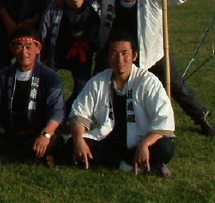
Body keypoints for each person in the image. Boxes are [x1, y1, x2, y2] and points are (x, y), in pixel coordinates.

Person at [93, 0, 214, 136]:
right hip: (117, 53)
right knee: (100, 81)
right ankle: (97, 119)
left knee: (176, 85)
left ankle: (201, 116)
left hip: (152, 52)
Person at [68, 31, 176, 177]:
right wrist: (79, 139)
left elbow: (164, 120)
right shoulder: (98, 81)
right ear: (108, 56)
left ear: (134, 56)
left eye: (125, 53)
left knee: (166, 147)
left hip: (139, 141)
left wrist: (144, 144)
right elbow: (79, 113)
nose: (120, 59)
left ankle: (146, 161)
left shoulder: (148, 81)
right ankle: (129, 167)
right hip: (110, 141)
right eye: (114, 53)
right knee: (72, 143)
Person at [0, 27, 64, 166]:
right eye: (19, 47)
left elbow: (57, 111)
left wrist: (45, 135)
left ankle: (2, 159)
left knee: (55, 142)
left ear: (38, 48)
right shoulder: (2, 76)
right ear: (12, 49)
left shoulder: (50, 77)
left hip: (39, 134)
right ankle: (32, 158)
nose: (24, 52)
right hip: (12, 135)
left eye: (29, 47)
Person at [39, 0, 100, 113]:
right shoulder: (54, 8)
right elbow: (43, 33)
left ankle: (69, 113)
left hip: (82, 54)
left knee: (82, 87)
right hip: (57, 51)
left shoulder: (94, 5)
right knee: (49, 85)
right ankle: (50, 113)